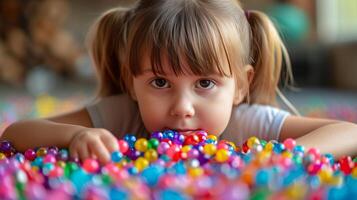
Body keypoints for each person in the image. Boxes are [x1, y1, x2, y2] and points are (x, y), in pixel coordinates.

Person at [2, 0, 357, 164]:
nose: (182, 107)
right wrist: (74, 135)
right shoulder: (122, 114)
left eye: (205, 83)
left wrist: (288, 154)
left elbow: (350, 132)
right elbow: (16, 133)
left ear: (242, 86)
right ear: (131, 82)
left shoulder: (249, 123)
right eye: (159, 82)